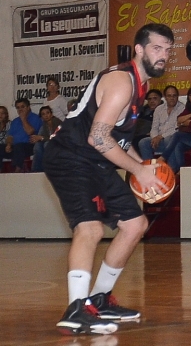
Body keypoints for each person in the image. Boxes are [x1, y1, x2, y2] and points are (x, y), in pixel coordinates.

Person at [43, 23, 175, 335]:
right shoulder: (121, 82)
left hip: (95, 161)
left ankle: (99, 299)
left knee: (135, 225)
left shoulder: (140, 87)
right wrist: (139, 169)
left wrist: (141, 165)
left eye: (168, 51)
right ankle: (76, 309)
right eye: (157, 48)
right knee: (89, 227)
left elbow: (111, 141)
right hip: (70, 155)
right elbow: (98, 138)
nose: (164, 56)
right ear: (139, 50)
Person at [158, 86, 191, 172]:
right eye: (190, 95)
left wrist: (184, 122)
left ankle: (163, 157)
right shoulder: (189, 109)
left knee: (177, 135)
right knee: (178, 145)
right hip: (189, 138)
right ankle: (181, 170)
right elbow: (179, 119)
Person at [138, 85, 184, 159]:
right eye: (169, 96)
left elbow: (177, 129)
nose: (172, 98)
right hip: (159, 140)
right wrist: (155, 138)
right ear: (165, 97)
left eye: (174, 95)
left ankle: (172, 168)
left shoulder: (182, 108)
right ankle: (149, 168)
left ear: (177, 96)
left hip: (173, 140)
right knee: (143, 142)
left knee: (168, 139)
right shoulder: (159, 109)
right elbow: (154, 128)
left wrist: (160, 137)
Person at [5, 98, 42, 173]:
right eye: (18, 107)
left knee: (19, 146)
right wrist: (8, 144)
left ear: (28, 107)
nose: (20, 109)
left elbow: (30, 132)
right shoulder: (15, 121)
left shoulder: (36, 118)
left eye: (22, 107)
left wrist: (23, 119)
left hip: (29, 146)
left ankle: (17, 170)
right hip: (15, 147)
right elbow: (10, 136)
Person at [30, 106, 62, 172]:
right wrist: (36, 139)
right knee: (37, 146)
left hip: (61, 144)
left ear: (51, 114)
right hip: (52, 143)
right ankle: (37, 170)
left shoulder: (57, 122)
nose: (46, 115)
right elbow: (40, 137)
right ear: (41, 117)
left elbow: (56, 137)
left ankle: (50, 168)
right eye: (43, 114)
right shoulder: (44, 125)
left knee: (47, 144)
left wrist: (41, 138)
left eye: (47, 113)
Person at [132, 89, 163, 153]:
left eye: (155, 98)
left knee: (137, 141)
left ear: (160, 99)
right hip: (137, 133)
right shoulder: (142, 111)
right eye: (149, 99)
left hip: (152, 135)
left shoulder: (164, 111)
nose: (152, 101)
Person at [0, 106, 12, 172]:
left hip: (7, 147)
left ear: (6, 114)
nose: (0, 115)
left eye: (2, 113)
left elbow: (10, 137)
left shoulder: (10, 124)